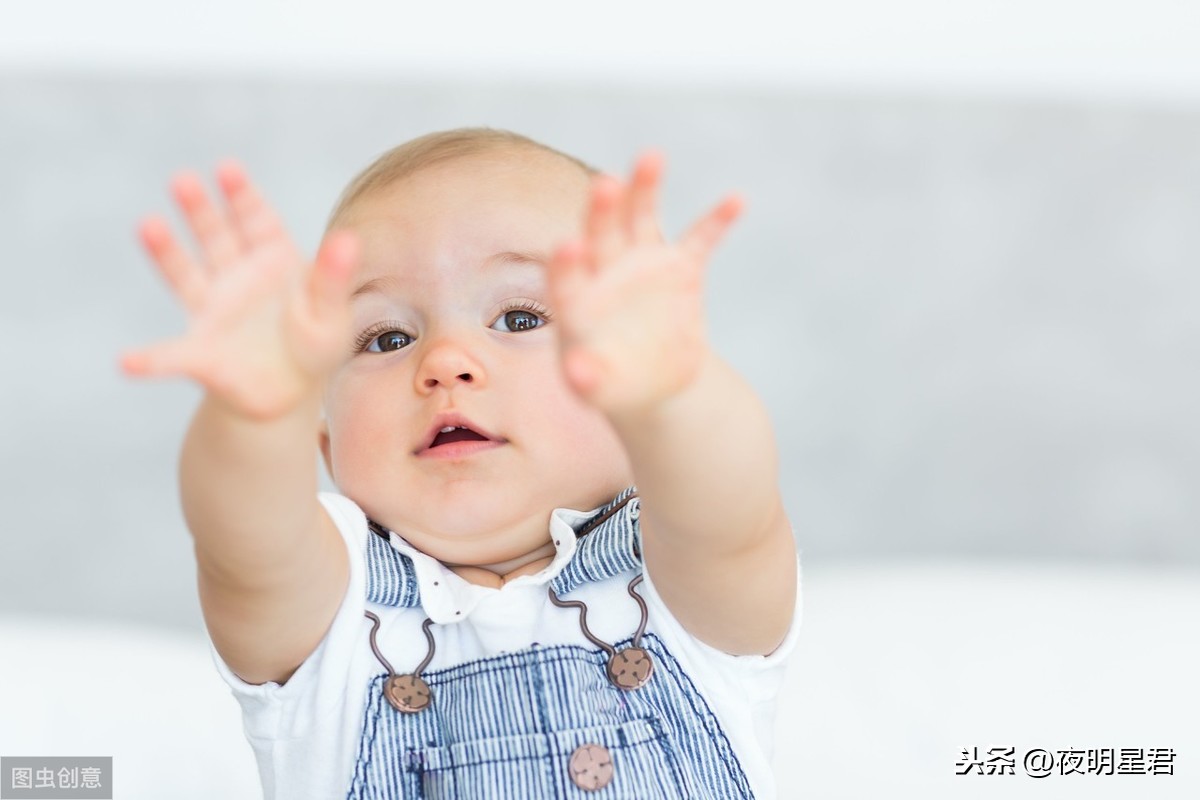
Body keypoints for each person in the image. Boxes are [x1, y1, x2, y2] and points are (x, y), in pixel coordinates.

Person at [121, 127, 802, 799]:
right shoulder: (335, 614)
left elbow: (730, 508)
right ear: (321, 447)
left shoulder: (674, 583)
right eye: (387, 336)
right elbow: (245, 542)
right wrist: (254, 415)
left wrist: (674, 395)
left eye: (518, 319)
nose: (445, 362)